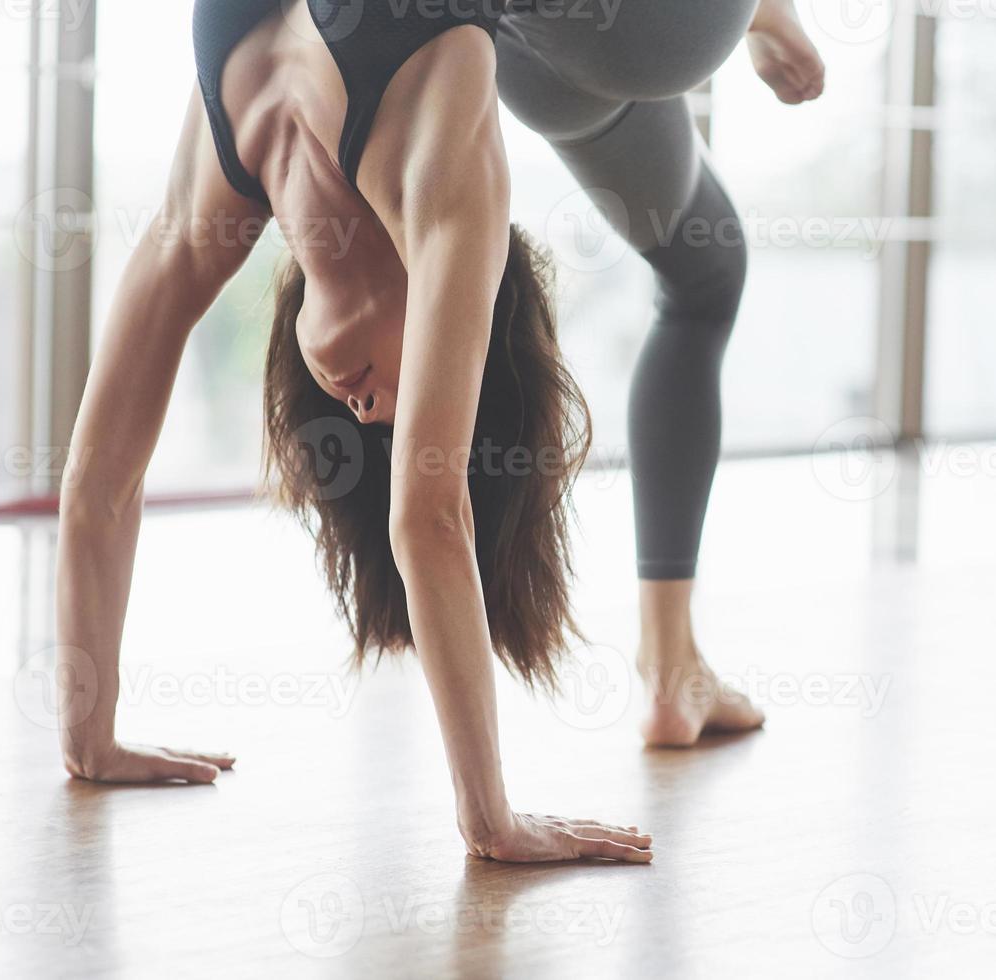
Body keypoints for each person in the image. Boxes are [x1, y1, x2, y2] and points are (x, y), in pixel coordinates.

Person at [54, 0, 825, 865]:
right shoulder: (452, 188)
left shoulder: (219, 187)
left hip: (541, 33)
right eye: (395, 411)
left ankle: (674, 658)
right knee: (659, 68)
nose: (369, 411)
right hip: (607, 31)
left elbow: (97, 483)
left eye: (357, 422)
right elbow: (430, 518)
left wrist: (90, 736)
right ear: (463, 340)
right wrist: (489, 819)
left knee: (700, 260)